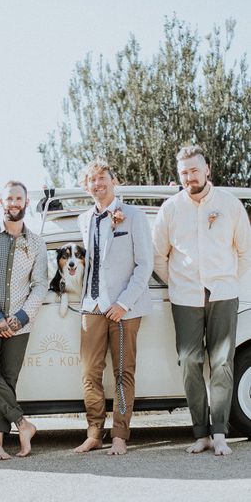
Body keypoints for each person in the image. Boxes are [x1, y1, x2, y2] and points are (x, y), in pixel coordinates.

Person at [153, 145, 251, 456]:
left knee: (222, 362)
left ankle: (220, 432)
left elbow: (244, 251)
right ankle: (200, 433)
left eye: (194, 170)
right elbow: (159, 257)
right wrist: (178, 284)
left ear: (207, 168)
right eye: (183, 173)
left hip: (223, 294)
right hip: (185, 298)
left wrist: (228, 280)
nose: (189, 177)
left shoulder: (229, 205)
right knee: (190, 362)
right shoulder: (170, 209)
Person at [75, 159, 153, 455]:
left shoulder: (132, 215)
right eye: (91, 180)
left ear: (113, 180)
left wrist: (123, 303)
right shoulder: (83, 219)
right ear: (87, 186)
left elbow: (145, 264)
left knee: (123, 372)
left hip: (125, 308)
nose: (97, 184)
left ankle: (120, 434)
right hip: (90, 306)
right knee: (89, 372)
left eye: (102, 178)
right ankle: (94, 431)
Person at [0, 180, 48, 459]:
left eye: (18, 199)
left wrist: (20, 317)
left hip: (20, 323)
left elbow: (40, 285)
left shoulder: (37, 243)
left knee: (9, 379)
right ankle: (23, 424)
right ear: (1, 203)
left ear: (26, 203)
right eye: (9, 199)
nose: (14, 203)